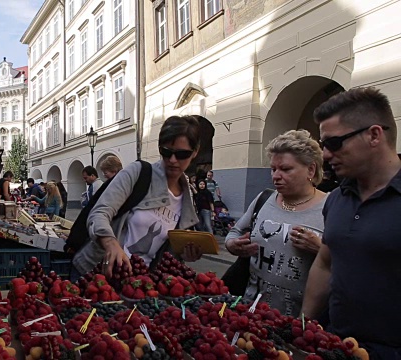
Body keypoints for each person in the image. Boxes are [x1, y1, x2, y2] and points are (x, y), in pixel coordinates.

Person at [302, 87, 401, 359]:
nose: (325, 154)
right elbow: (325, 262)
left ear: (374, 135)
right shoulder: (336, 199)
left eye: (334, 143)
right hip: (336, 344)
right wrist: (303, 324)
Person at [72, 115, 202, 278]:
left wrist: (185, 254)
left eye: (182, 154)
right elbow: (99, 213)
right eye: (166, 152)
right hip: (97, 275)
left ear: (195, 152)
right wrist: (110, 243)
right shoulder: (138, 172)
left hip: (139, 284)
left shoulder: (187, 196)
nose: (173, 160)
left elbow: (168, 252)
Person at [225, 129, 326, 316]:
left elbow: (349, 264)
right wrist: (233, 245)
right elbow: (235, 232)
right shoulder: (264, 198)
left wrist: (321, 249)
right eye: (273, 169)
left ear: (311, 170)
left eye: (286, 169)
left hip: (298, 323)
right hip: (249, 311)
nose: (276, 176)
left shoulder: (330, 207)